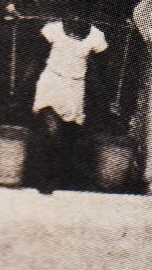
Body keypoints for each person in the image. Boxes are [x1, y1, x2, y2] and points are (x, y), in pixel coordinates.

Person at [31, 14, 107, 193]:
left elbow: (100, 71)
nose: (77, 19)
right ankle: (45, 180)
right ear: (66, 13)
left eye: (83, 14)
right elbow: (36, 60)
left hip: (75, 88)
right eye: (73, 14)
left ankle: (62, 179)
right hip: (52, 82)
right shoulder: (53, 30)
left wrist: (104, 98)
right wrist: (22, 87)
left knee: (70, 135)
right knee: (52, 131)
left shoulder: (96, 37)